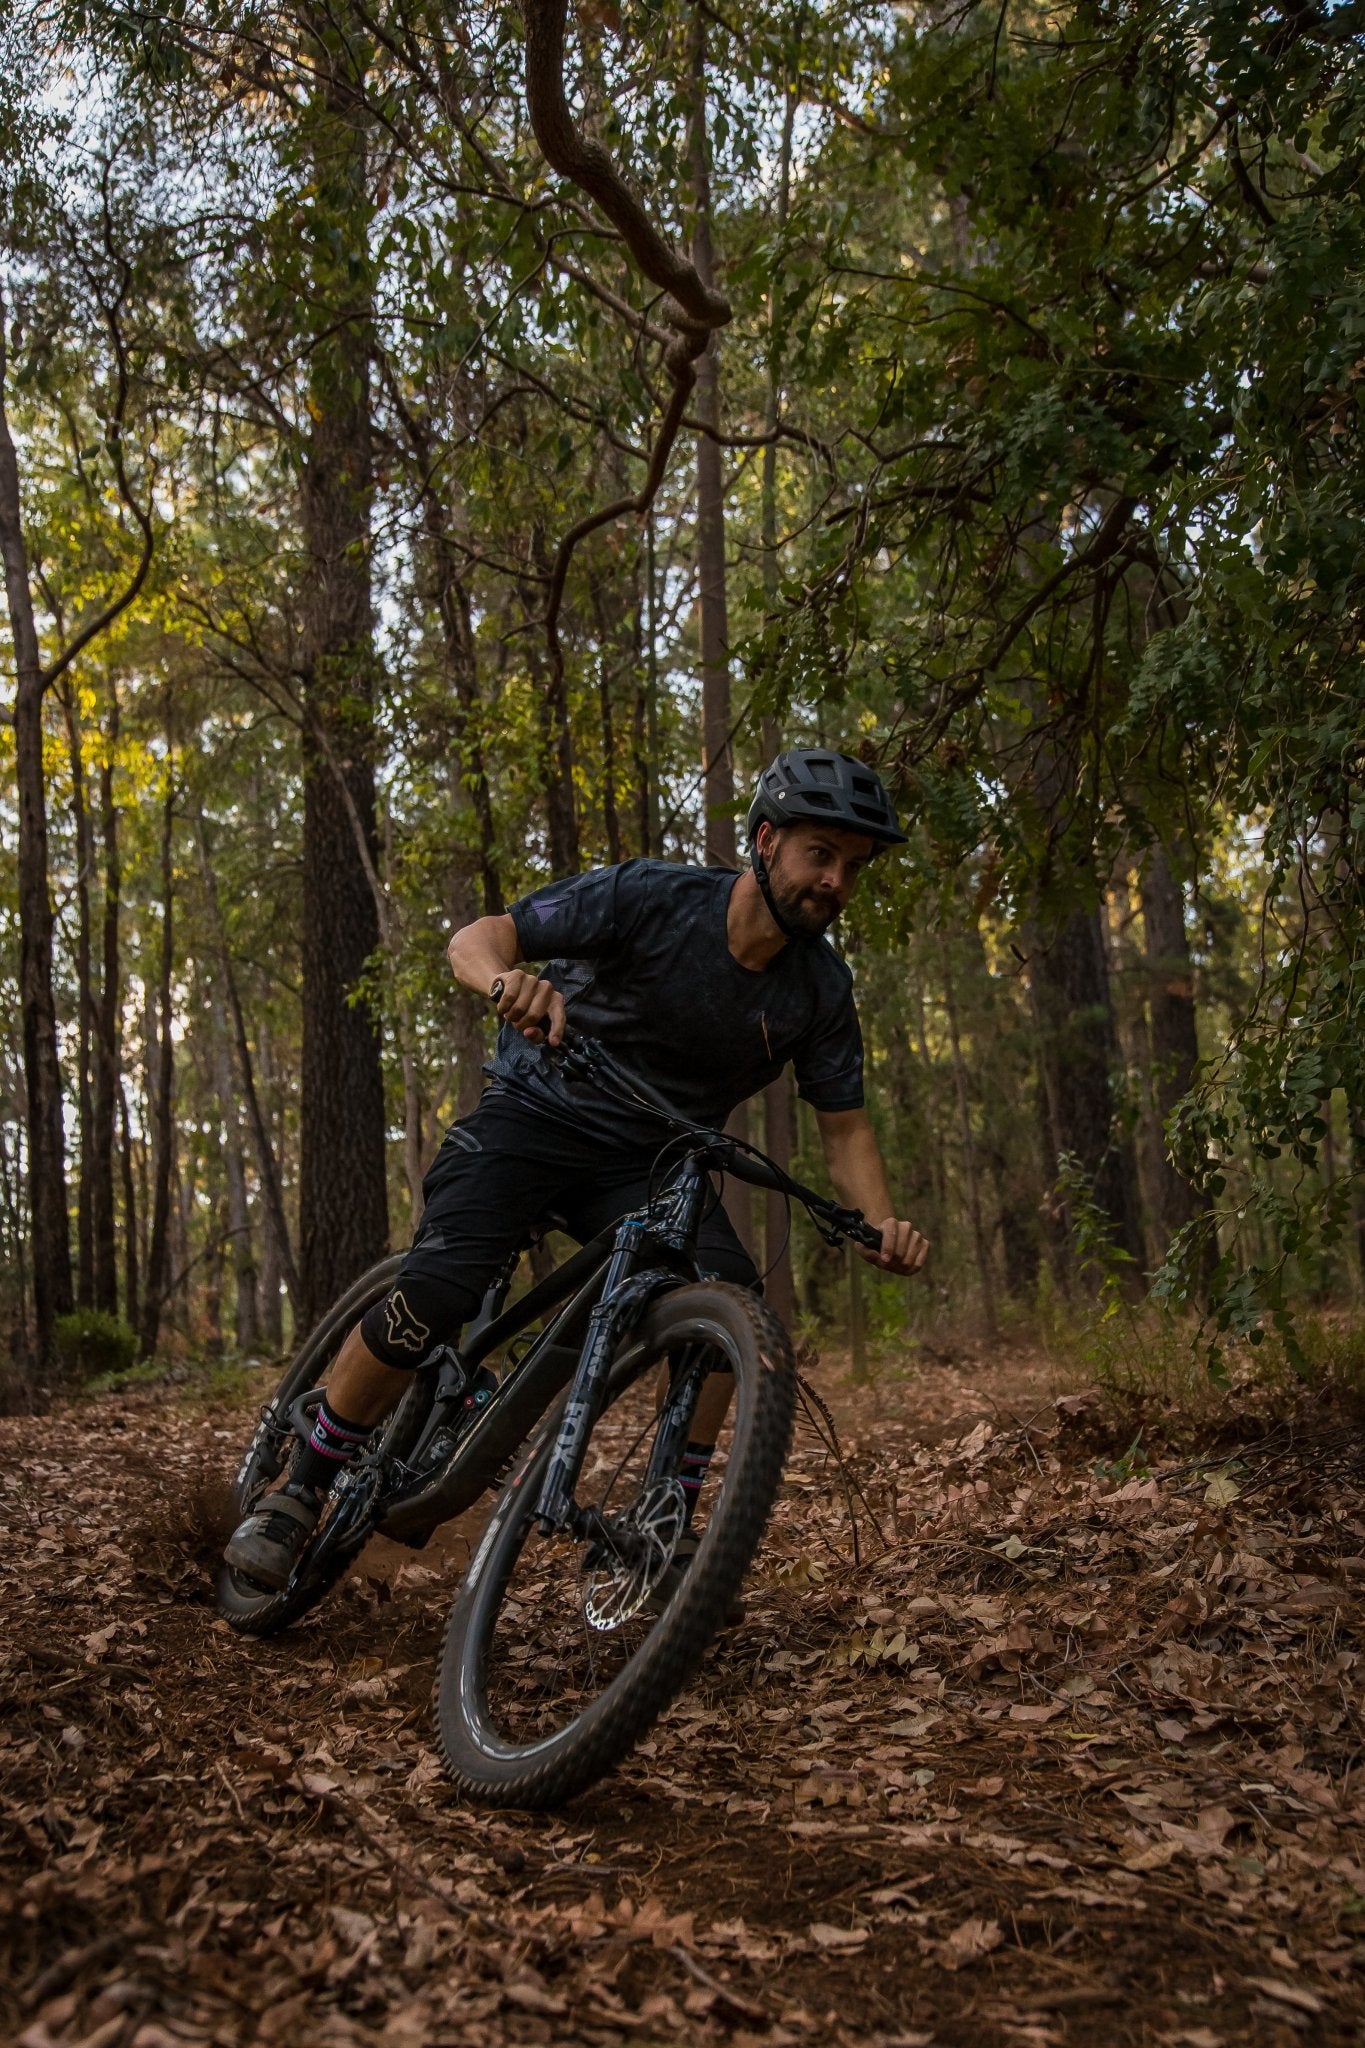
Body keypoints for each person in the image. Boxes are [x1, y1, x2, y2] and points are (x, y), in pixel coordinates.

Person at [225, 747, 930, 1589]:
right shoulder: (651, 897)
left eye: (853, 868)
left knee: (728, 1310)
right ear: (766, 840)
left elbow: (844, 1129)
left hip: (652, 1162)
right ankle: (297, 1488)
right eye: (820, 855)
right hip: (533, 1115)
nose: (836, 883)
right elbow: (478, 938)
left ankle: (664, 1516)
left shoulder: (819, 989)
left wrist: (877, 1222)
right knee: (441, 1291)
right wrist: (504, 984)